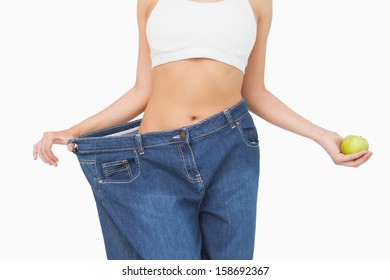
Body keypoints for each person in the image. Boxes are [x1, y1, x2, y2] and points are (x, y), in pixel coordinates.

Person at [33, 0, 372, 260]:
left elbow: (254, 91)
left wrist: (321, 135)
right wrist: (74, 129)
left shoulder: (257, 3)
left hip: (231, 152)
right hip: (154, 157)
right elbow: (142, 89)